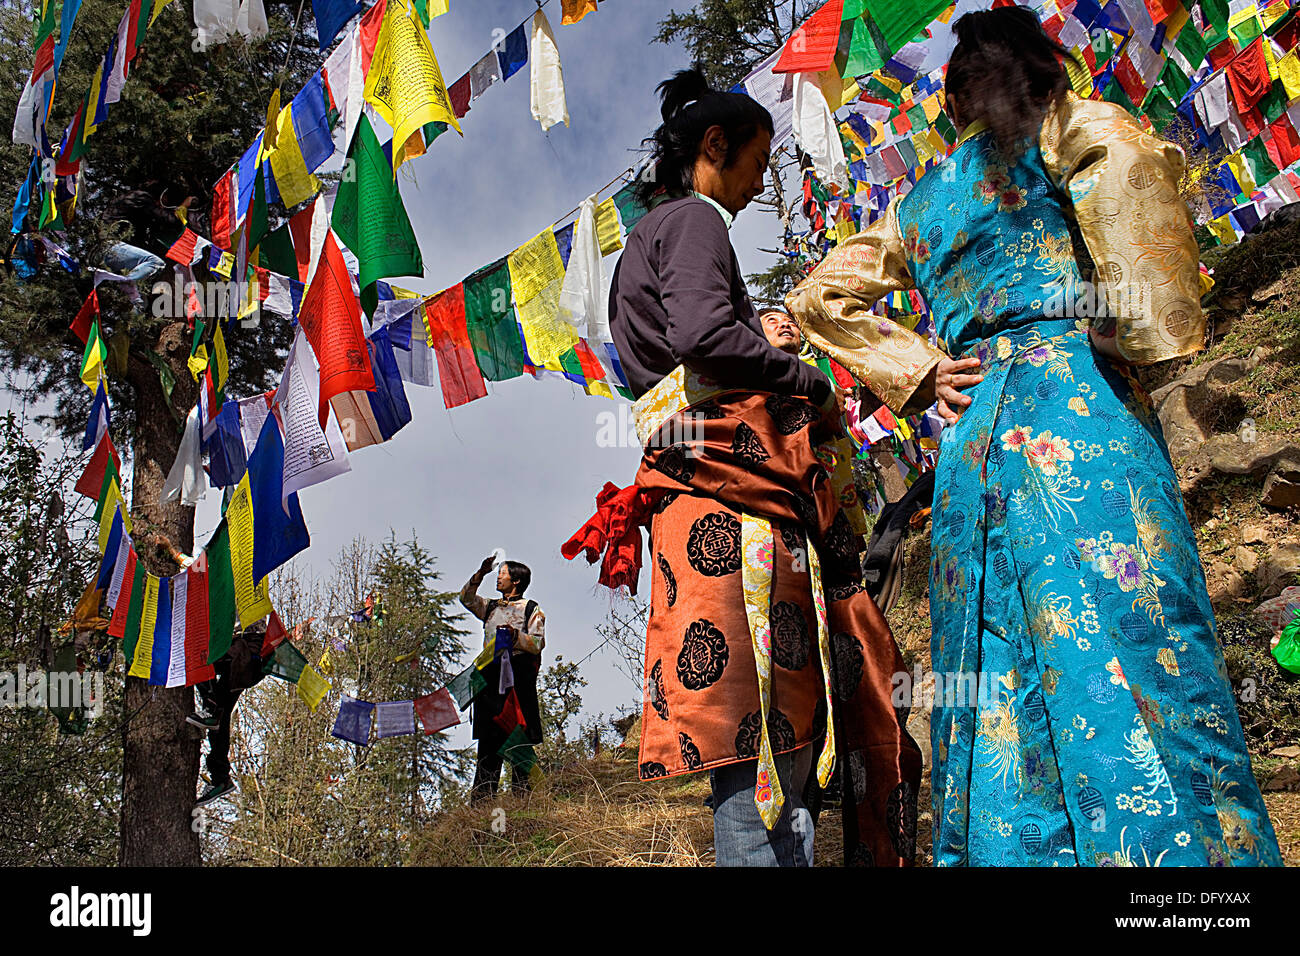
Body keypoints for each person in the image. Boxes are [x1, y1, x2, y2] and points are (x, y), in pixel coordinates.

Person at [786, 7, 1281, 866]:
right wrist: (1131, 329)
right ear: (1041, 67)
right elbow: (1133, 175)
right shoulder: (1065, 129)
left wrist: (920, 371)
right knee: (1132, 632)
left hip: (973, 445)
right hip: (1074, 412)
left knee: (999, 666)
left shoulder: (919, 199)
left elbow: (817, 299)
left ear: (954, 93)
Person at [565, 67, 922, 868]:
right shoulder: (694, 220)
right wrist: (799, 375)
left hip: (698, 498)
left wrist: (757, 341)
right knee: (765, 759)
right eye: (757, 165)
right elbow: (701, 340)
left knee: (761, 753)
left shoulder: (644, 246)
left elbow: (683, 353)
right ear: (713, 147)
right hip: (737, 507)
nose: (763, 185)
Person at [459, 557, 546, 801]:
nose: (498, 577)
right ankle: (482, 800)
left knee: (519, 731)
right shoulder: (490, 607)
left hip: (518, 677)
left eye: (503, 573)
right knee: (489, 737)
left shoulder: (531, 608)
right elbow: (465, 598)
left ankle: (523, 797)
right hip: (489, 676)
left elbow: (538, 643)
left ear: (516, 580)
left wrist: (515, 636)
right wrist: (480, 573)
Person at [189, 620, 273, 807]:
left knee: (197, 657)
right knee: (220, 715)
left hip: (246, 650)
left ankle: (211, 709)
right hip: (243, 654)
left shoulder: (241, 594)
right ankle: (220, 778)